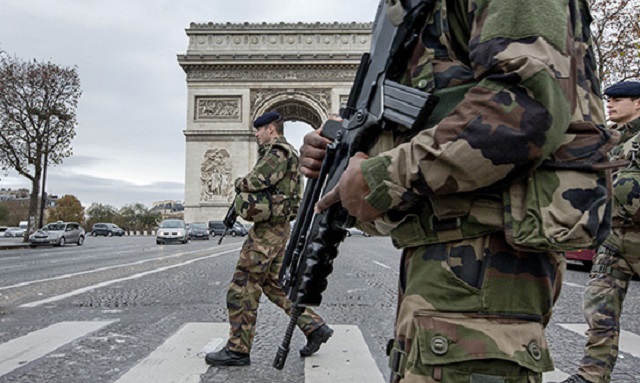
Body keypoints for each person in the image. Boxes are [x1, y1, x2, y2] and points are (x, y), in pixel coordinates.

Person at [300, 1, 610, 382]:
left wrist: (379, 177)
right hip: (446, 259)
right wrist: (346, 157)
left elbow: (526, 105)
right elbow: (438, 120)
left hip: (483, 263)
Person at [205, 111, 333, 367]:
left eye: (259, 129)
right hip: (278, 227)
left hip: (268, 230)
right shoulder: (287, 153)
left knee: (242, 286)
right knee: (275, 284)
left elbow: (257, 180)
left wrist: (239, 182)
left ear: (271, 129)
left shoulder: (276, 152)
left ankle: (238, 349)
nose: (256, 134)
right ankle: (314, 326)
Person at [553, 81, 640, 383]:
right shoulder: (609, 141)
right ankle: (591, 376)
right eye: (609, 99)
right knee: (599, 310)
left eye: (618, 99)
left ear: (638, 103)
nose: (610, 104)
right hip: (614, 241)